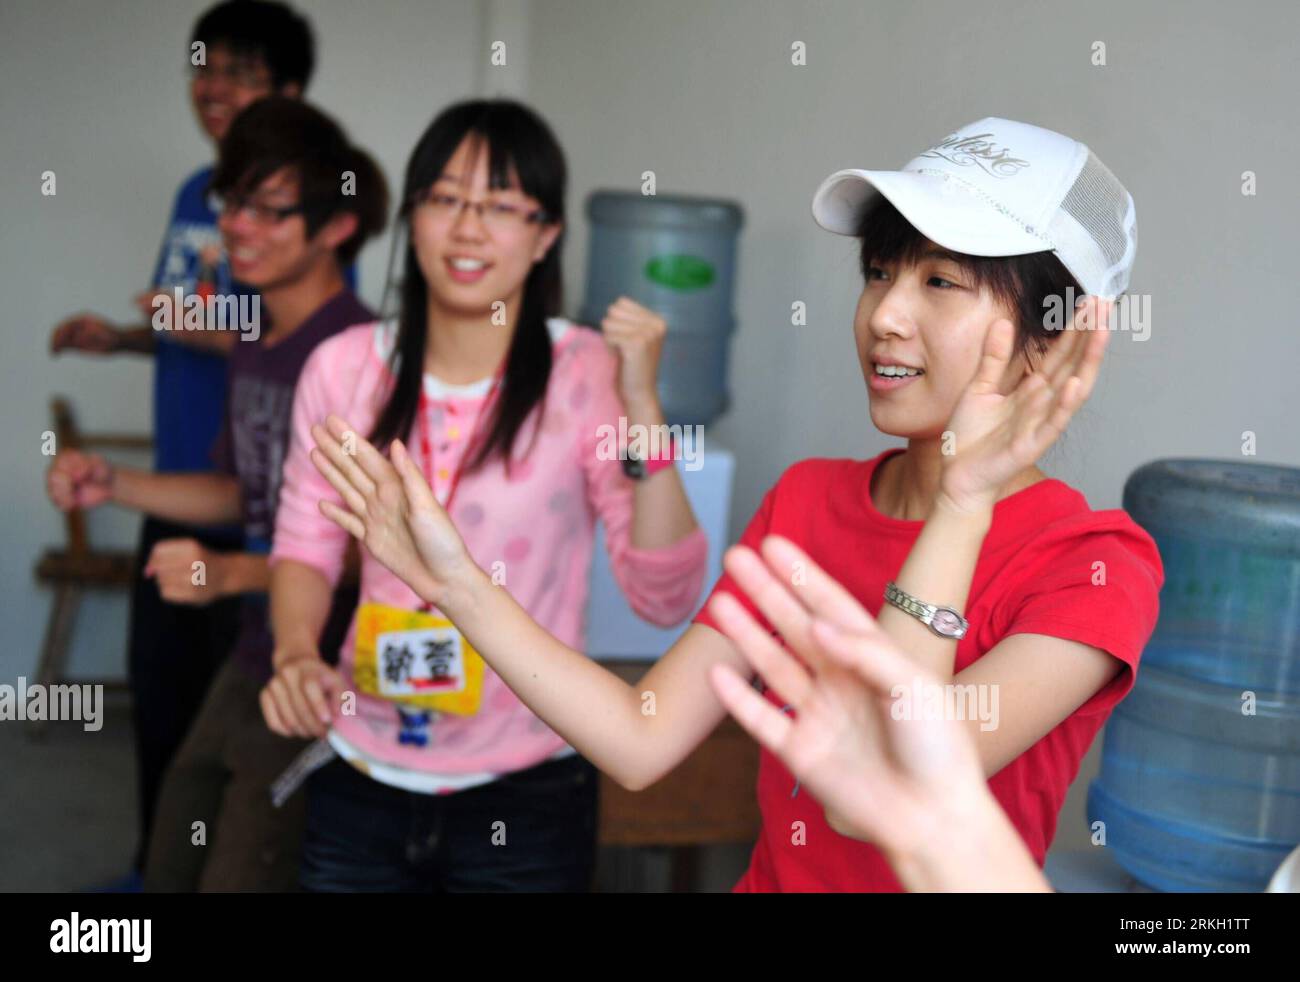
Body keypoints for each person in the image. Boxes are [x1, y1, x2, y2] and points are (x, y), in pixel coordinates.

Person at [304, 117, 1164, 892]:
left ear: (1058, 336)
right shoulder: (808, 501)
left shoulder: (1094, 564)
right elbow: (641, 737)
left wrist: (962, 503)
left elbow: (883, 794)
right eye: (878, 272)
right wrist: (455, 583)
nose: (884, 316)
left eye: (941, 282)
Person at [259, 99, 709, 892]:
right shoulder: (343, 367)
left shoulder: (584, 373)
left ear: (545, 236)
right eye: (445, 197)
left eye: (501, 206)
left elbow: (663, 591)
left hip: (530, 786)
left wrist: (643, 405)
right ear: (412, 216)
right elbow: (304, 544)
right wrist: (296, 653)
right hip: (360, 771)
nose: (468, 229)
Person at [48, 97, 386, 891]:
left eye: (269, 212)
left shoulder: (356, 357)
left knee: (241, 869)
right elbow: (243, 493)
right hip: (255, 649)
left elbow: (376, 557)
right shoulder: (257, 342)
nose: (239, 227)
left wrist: (231, 574)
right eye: (233, 204)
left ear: (336, 229)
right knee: (174, 843)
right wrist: (117, 483)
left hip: (332, 668)